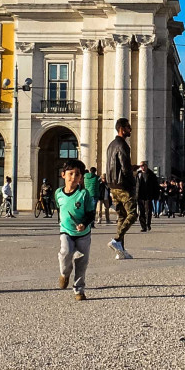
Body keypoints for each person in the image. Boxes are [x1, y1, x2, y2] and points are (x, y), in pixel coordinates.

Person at [55, 157, 98, 301]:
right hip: (66, 230)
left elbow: (91, 213)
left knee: (82, 262)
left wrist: (84, 224)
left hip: (83, 233)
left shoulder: (84, 194)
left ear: (81, 177)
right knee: (65, 252)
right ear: (63, 175)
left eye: (77, 174)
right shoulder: (58, 193)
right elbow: (60, 208)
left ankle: (79, 290)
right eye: (71, 173)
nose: (74, 177)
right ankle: (64, 273)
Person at [106, 119, 137, 260]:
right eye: (128, 127)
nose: (130, 129)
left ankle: (121, 251)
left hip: (112, 185)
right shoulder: (123, 145)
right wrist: (132, 182)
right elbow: (124, 167)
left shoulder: (111, 145)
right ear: (122, 128)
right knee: (132, 214)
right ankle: (116, 240)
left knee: (121, 216)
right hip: (123, 186)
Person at [136, 161, 158, 232]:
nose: (141, 167)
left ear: (146, 166)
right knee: (141, 212)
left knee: (148, 211)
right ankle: (143, 226)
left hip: (148, 195)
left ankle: (148, 224)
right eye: (140, 166)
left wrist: (156, 196)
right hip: (140, 196)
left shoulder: (151, 174)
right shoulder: (138, 174)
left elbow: (155, 186)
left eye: (143, 165)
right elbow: (135, 185)